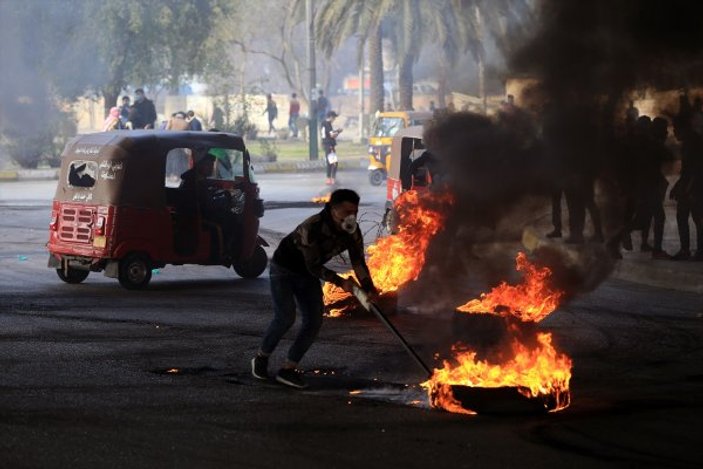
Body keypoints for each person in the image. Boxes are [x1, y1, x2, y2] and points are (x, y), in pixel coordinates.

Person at [251, 189, 377, 389]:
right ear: (333, 209)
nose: (351, 216)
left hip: (307, 275)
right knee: (285, 317)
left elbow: (358, 261)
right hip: (284, 268)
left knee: (314, 320)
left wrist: (369, 287)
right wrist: (341, 282)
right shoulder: (313, 227)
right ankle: (261, 358)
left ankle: (288, 369)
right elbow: (314, 266)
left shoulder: (352, 230)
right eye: (346, 212)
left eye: (354, 211)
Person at [321, 110, 342, 185]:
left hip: (327, 145)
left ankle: (329, 179)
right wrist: (338, 131)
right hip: (329, 145)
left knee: (330, 162)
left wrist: (336, 131)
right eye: (334, 118)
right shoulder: (327, 124)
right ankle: (331, 179)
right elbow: (332, 135)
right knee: (334, 163)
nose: (334, 119)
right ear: (331, 117)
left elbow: (331, 133)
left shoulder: (324, 123)